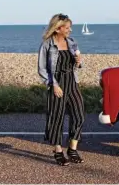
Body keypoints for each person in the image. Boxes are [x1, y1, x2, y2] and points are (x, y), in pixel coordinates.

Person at [37, 13, 85, 166]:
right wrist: (53, 85)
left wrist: (78, 62)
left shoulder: (72, 42)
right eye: (67, 28)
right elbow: (42, 69)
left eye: (70, 27)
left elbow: (76, 65)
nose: (70, 30)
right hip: (57, 83)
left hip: (72, 81)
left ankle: (72, 149)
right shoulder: (47, 45)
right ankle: (58, 151)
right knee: (56, 118)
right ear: (58, 29)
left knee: (79, 115)